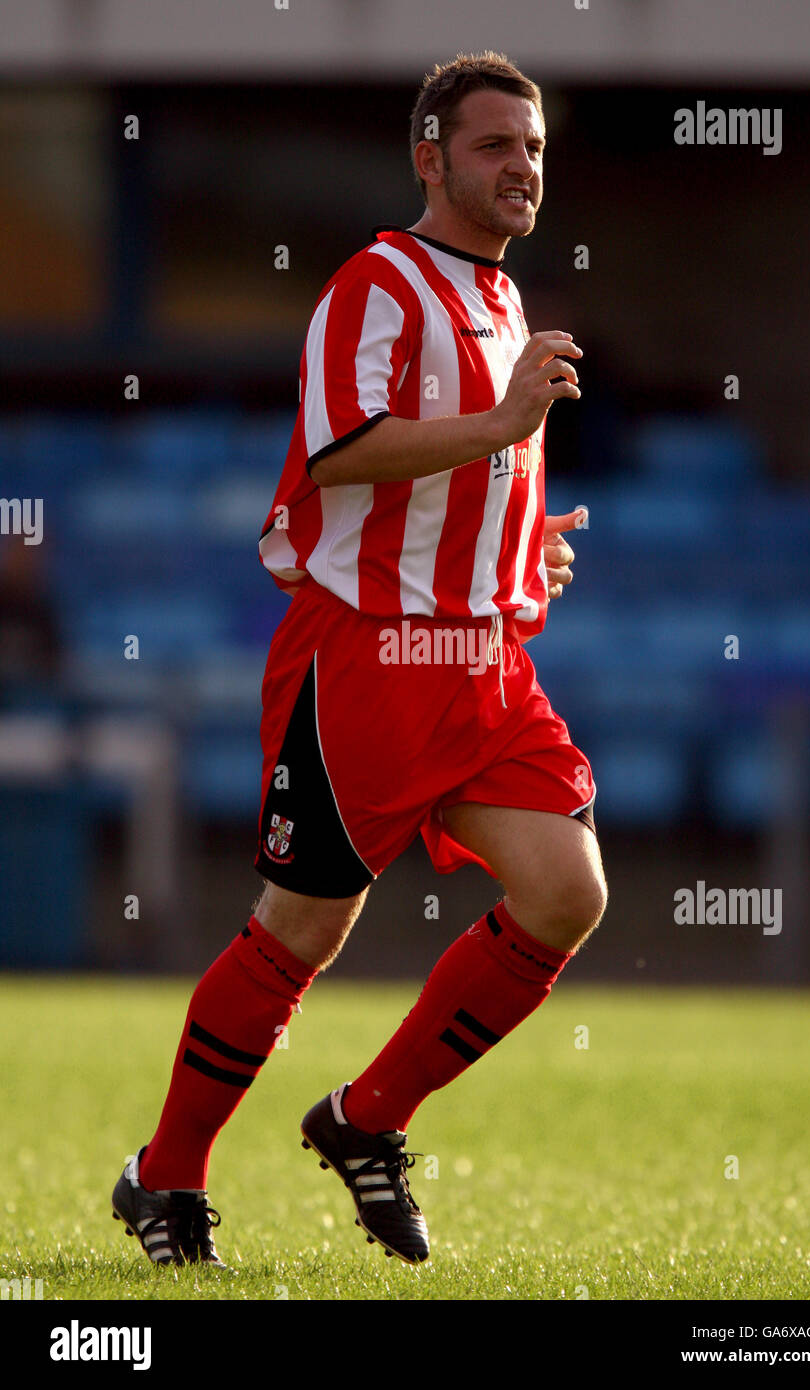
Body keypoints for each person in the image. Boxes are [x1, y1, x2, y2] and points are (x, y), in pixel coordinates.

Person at [112, 50, 608, 1270]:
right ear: (429, 158)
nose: (520, 168)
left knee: (567, 891)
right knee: (297, 935)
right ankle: (164, 1180)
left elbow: (450, 480)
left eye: (533, 148)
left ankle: (364, 1117)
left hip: (484, 662)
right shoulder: (373, 284)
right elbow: (344, 452)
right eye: (495, 146)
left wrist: (516, 546)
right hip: (366, 666)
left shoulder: (498, 300)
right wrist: (500, 426)